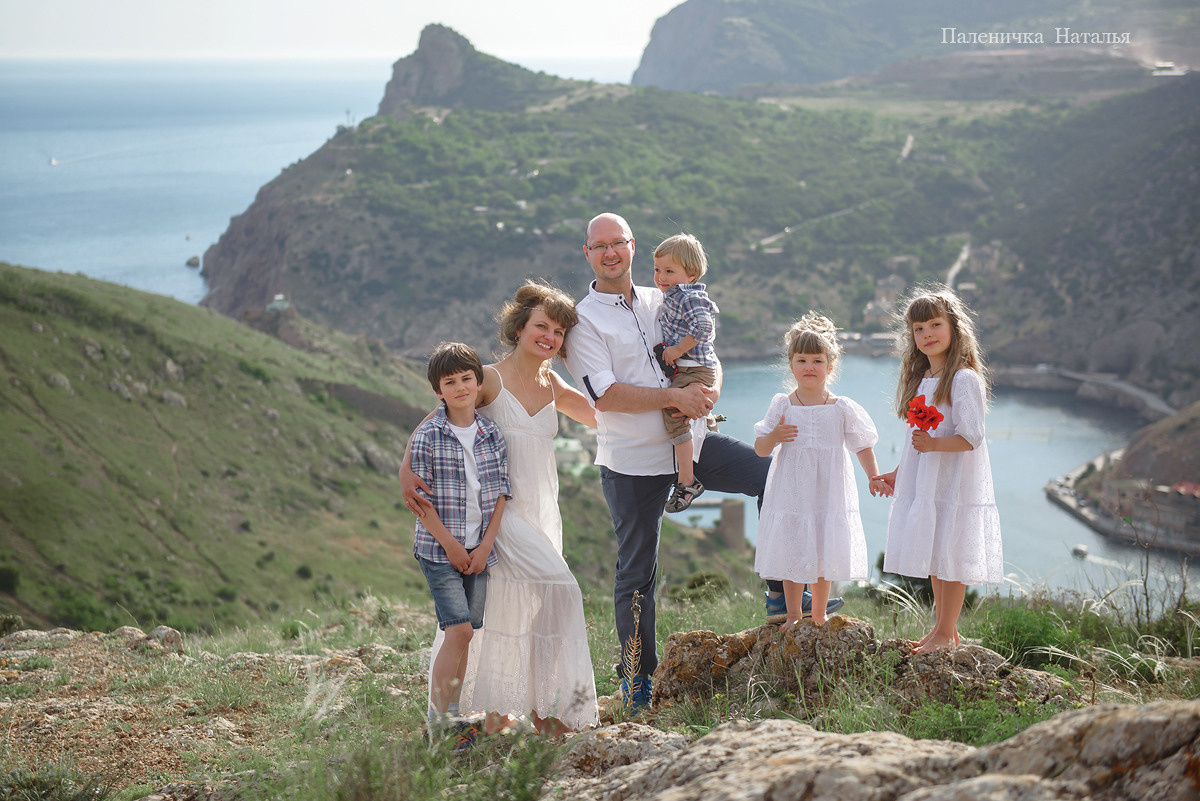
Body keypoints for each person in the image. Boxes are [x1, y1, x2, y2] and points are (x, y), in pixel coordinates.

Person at [564, 212, 841, 714]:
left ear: (632, 246)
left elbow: (706, 352)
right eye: (599, 245)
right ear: (587, 253)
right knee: (637, 572)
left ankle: (783, 596)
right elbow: (604, 395)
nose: (610, 252)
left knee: (772, 477)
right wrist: (674, 395)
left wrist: (710, 391)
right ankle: (636, 678)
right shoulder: (584, 321)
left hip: (693, 439)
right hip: (632, 462)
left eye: (618, 243)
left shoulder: (665, 294)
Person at [402, 282, 600, 734]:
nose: (549, 336)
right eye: (541, 326)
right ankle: (556, 713)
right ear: (519, 327)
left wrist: (675, 407)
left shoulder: (554, 385)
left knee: (512, 610)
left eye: (559, 331)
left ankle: (500, 714)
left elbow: (603, 415)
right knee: (562, 589)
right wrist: (404, 470)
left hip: (543, 512)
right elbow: (435, 418)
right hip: (499, 514)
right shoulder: (487, 377)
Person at [878, 285, 1003, 653]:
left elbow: (972, 437)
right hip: (927, 483)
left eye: (935, 324)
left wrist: (933, 446)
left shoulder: (963, 379)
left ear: (954, 328)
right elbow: (918, 439)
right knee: (936, 554)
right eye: (919, 328)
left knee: (952, 554)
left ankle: (947, 633)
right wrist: (899, 474)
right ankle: (941, 630)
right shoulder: (923, 381)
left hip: (953, 483)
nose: (927, 334)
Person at [752, 312, 890, 630]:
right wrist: (774, 436)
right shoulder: (782, 405)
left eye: (817, 360)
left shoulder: (841, 407)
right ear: (791, 364)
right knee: (791, 547)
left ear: (831, 365)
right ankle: (793, 615)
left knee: (822, 550)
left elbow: (862, 444)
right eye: (802, 360)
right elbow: (761, 449)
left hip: (829, 490)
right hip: (791, 489)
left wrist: (873, 475)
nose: (809, 367)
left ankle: (818, 615)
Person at [408, 342, 509, 746]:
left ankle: (451, 718)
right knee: (460, 631)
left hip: (479, 552)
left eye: (467, 378)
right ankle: (440, 723)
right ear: (439, 391)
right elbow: (421, 503)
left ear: (478, 382)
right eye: (450, 382)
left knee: (465, 634)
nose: (461, 387)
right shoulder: (428, 436)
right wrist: (451, 545)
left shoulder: (491, 433)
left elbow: (502, 492)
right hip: (439, 551)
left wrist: (484, 547)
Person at [653, 233, 720, 513]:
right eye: (657, 270)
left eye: (670, 271)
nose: (661, 277)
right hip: (694, 369)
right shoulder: (675, 296)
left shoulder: (687, 297)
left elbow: (703, 329)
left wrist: (678, 350)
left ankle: (687, 481)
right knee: (681, 413)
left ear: (690, 274)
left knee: (675, 418)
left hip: (693, 369)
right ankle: (709, 425)